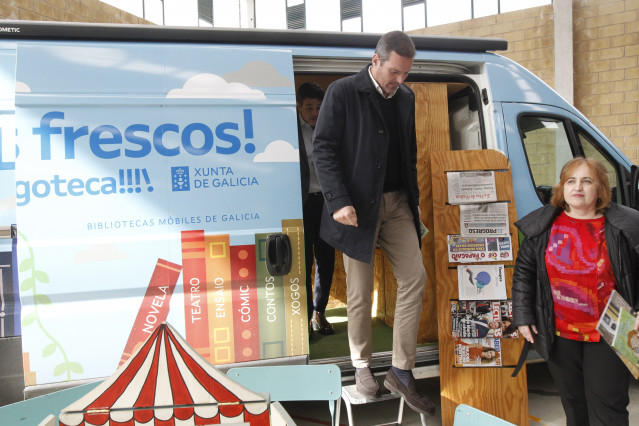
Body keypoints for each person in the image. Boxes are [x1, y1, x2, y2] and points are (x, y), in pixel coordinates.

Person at [312, 30, 433, 415]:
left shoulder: (407, 98)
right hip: (356, 209)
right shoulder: (343, 92)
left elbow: (408, 153)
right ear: (376, 60)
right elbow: (324, 148)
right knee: (361, 292)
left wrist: (415, 208)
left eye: (406, 74)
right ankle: (361, 367)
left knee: (415, 277)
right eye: (395, 72)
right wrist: (338, 201)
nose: (400, 81)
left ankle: (401, 369)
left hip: (397, 203)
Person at [512, 157, 639, 426]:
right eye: (571, 180)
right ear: (562, 188)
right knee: (573, 405)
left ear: (601, 189)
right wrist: (523, 316)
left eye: (587, 181)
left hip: (609, 331)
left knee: (608, 407)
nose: (577, 187)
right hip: (559, 333)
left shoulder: (623, 226)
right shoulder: (543, 226)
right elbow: (524, 271)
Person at [296, 82, 336, 337]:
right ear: (299, 107)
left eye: (319, 107)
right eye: (309, 107)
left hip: (326, 202)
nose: (314, 112)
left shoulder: (329, 128)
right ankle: (304, 319)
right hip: (300, 203)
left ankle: (319, 313)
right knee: (303, 262)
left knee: (326, 259)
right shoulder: (289, 131)